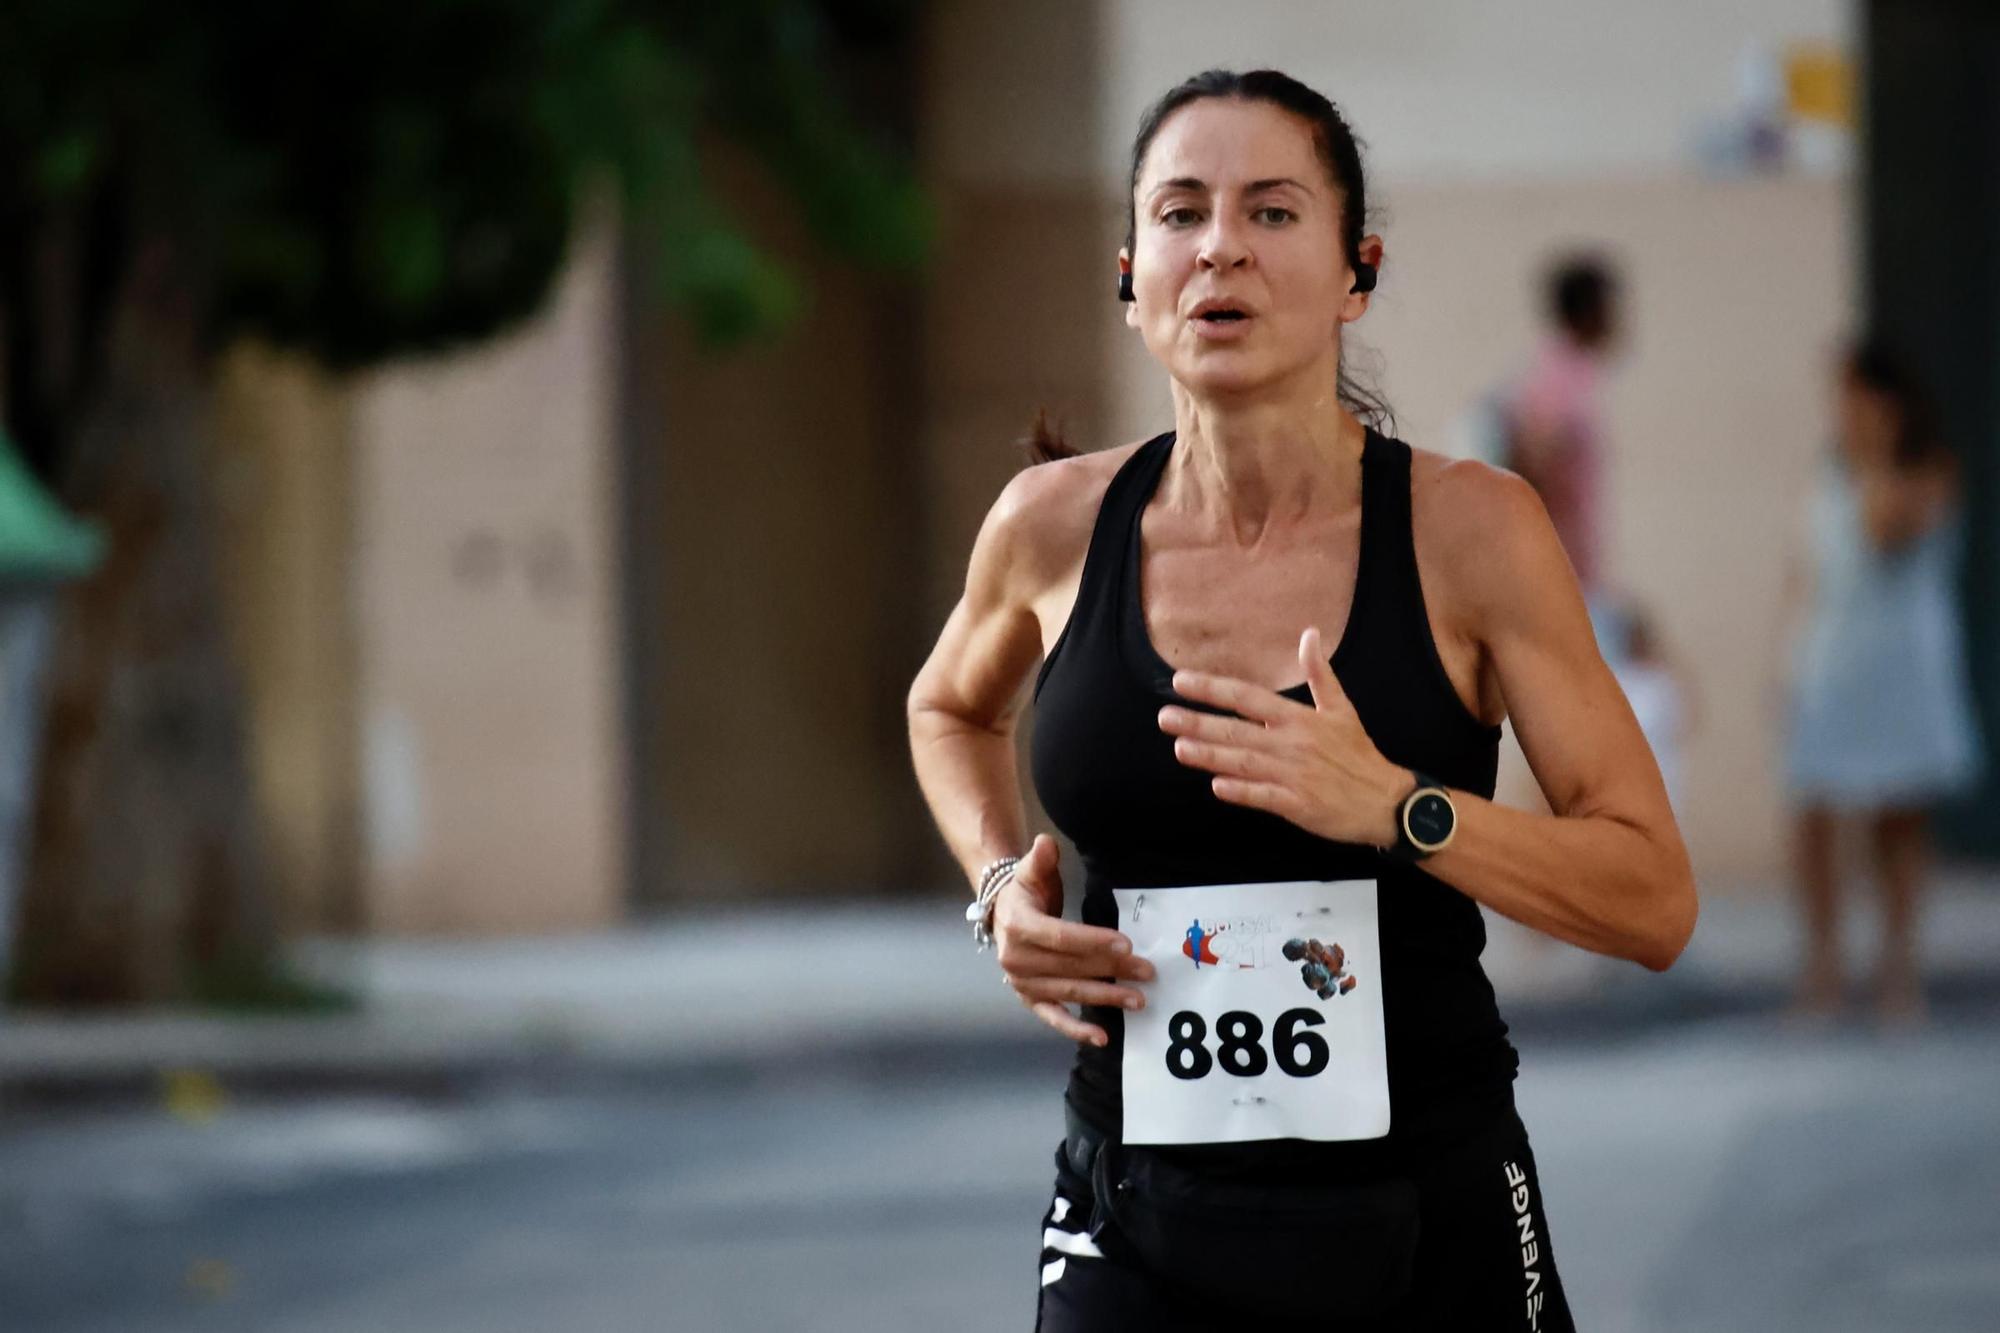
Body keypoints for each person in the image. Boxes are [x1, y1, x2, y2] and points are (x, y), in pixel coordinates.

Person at [906, 68, 1694, 1330]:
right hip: (1132, 1207)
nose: (1220, 245)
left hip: (1429, 1209)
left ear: (1354, 271)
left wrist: (1399, 809)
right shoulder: (1049, 528)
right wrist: (998, 884)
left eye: (1271, 212)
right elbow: (945, 707)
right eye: (1180, 213)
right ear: (1130, 277)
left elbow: (1652, 897)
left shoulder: (1468, 532)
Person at [1780, 341, 1981, 1025]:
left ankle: (1898, 973)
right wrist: (1788, 661)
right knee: (1814, 817)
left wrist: (1875, 452)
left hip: (1900, 667)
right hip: (1832, 662)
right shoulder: (1827, 472)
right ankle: (1823, 969)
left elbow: (1883, 531)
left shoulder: (1927, 471)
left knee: (1897, 822)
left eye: (1852, 398)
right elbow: (1805, 569)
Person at [1500, 255, 1625, 658]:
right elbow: (1529, 460)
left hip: (1571, 577)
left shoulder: (1569, 373)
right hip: (1559, 582)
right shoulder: (1562, 378)